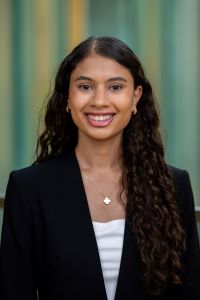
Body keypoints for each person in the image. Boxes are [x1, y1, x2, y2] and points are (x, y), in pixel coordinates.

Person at [0, 36, 199, 300]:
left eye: (116, 87)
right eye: (85, 86)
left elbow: (189, 293)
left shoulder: (173, 186)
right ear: (67, 97)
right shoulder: (29, 189)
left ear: (135, 97)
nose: (100, 101)